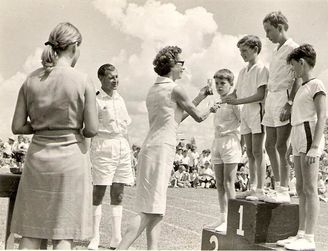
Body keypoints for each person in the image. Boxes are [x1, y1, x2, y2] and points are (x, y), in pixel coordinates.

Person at [118, 46, 216, 250]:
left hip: (151, 147)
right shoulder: (175, 89)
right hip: (161, 149)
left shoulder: (155, 89)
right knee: (147, 211)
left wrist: (200, 96)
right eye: (181, 63)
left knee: (155, 209)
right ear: (172, 65)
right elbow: (198, 116)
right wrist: (211, 108)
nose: (184, 67)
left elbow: (177, 117)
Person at [10, 22, 98, 249]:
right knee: (63, 234)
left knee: (31, 231)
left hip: (38, 159)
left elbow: (18, 127)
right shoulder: (82, 80)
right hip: (70, 160)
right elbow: (91, 129)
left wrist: (42, 125)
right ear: (75, 46)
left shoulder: (31, 80)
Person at [277, 44, 327, 250]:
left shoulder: (317, 84)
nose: (292, 71)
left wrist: (315, 146)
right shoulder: (301, 89)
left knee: (309, 187)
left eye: (293, 67)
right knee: (299, 188)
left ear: (302, 63)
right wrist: (291, 146)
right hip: (298, 134)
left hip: (308, 133)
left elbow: (322, 115)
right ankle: (300, 233)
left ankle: (310, 237)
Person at [87, 64, 134, 250]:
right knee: (99, 191)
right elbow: (89, 127)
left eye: (116, 77)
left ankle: (116, 238)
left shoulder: (120, 99)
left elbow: (126, 128)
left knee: (119, 191)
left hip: (121, 146)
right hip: (103, 145)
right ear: (101, 79)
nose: (115, 81)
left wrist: (129, 152)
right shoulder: (95, 100)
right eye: (111, 77)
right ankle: (95, 237)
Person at [222, 35, 268, 200]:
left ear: (255, 49)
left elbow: (261, 94)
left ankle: (261, 189)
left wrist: (237, 100)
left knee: (257, 151)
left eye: (245, 51)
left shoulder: (262, 69)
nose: (242, 54)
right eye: (240, 51)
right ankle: (253, 186)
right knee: (249, 152)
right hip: (245, 113)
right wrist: (226, 97)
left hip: (257, 111)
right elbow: (236, 92)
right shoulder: (242, 71)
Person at [262, 11, 301, 203]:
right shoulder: (277, 49)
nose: (267, 35)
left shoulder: (293, 48)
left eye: (269, 30)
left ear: (280, 27)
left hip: (283, 98)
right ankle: (278, 185)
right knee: (269, 144)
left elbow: (298, 77)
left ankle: (285, 189)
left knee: (281, 145)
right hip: (271, 98)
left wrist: (290, 102)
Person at [207, 69, 241, 232]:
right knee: (219, 183)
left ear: (230, 84)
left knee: (228, 182)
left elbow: (243, 120)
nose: (219, 87)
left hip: (230, 142)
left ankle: (232, 220)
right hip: (217, 141)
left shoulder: (234, 101)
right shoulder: (217, 102)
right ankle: (222, 218)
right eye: (217, 83)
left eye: (223, 83)